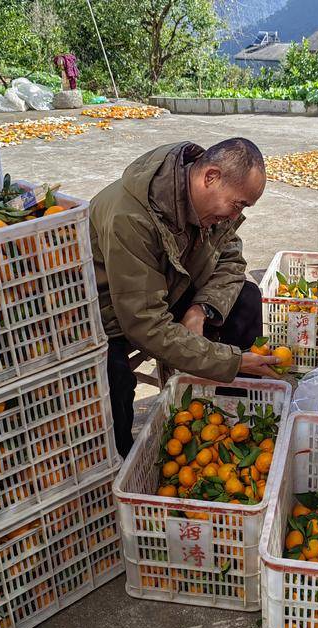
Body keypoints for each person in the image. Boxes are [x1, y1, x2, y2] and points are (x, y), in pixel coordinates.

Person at [89, 138, 281, 457]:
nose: (236, 215)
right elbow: (145, 324)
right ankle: (123, 464)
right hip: (110, 316)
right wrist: (230, 360)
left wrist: (201, 309)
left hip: (166, 290)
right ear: (210, 177)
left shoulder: (204, 205)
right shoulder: (131, 216)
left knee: (244, 297)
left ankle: (236, 420)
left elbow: (231, 261)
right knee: (114, 383)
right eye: (239, 204)